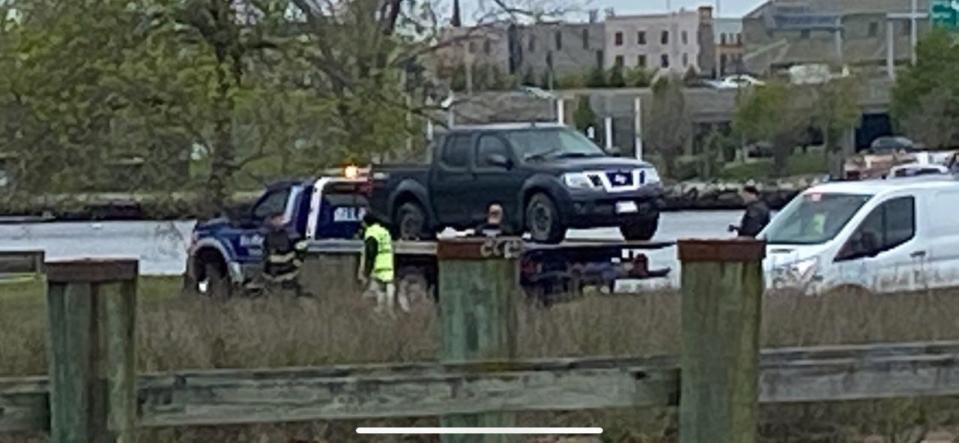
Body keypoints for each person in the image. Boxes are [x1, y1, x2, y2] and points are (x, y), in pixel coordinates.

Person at [358, 214, 407, 314]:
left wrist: (366, 271)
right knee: (388, 286)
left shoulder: (372, 233)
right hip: (388, 264)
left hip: (378, 265)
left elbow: (370, 253)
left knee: (379, 288)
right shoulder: (384, 232)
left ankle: (381, 309)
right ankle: (390, 308)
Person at [262, 211, 307, 296]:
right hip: (272, 274)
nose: (278, 222)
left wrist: (298, 261)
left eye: (280, 219)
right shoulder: (268, 235)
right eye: (275, 220)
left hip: (288, 272)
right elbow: (265, 252)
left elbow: (302, 248)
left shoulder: (291, 234)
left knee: (290, 295)